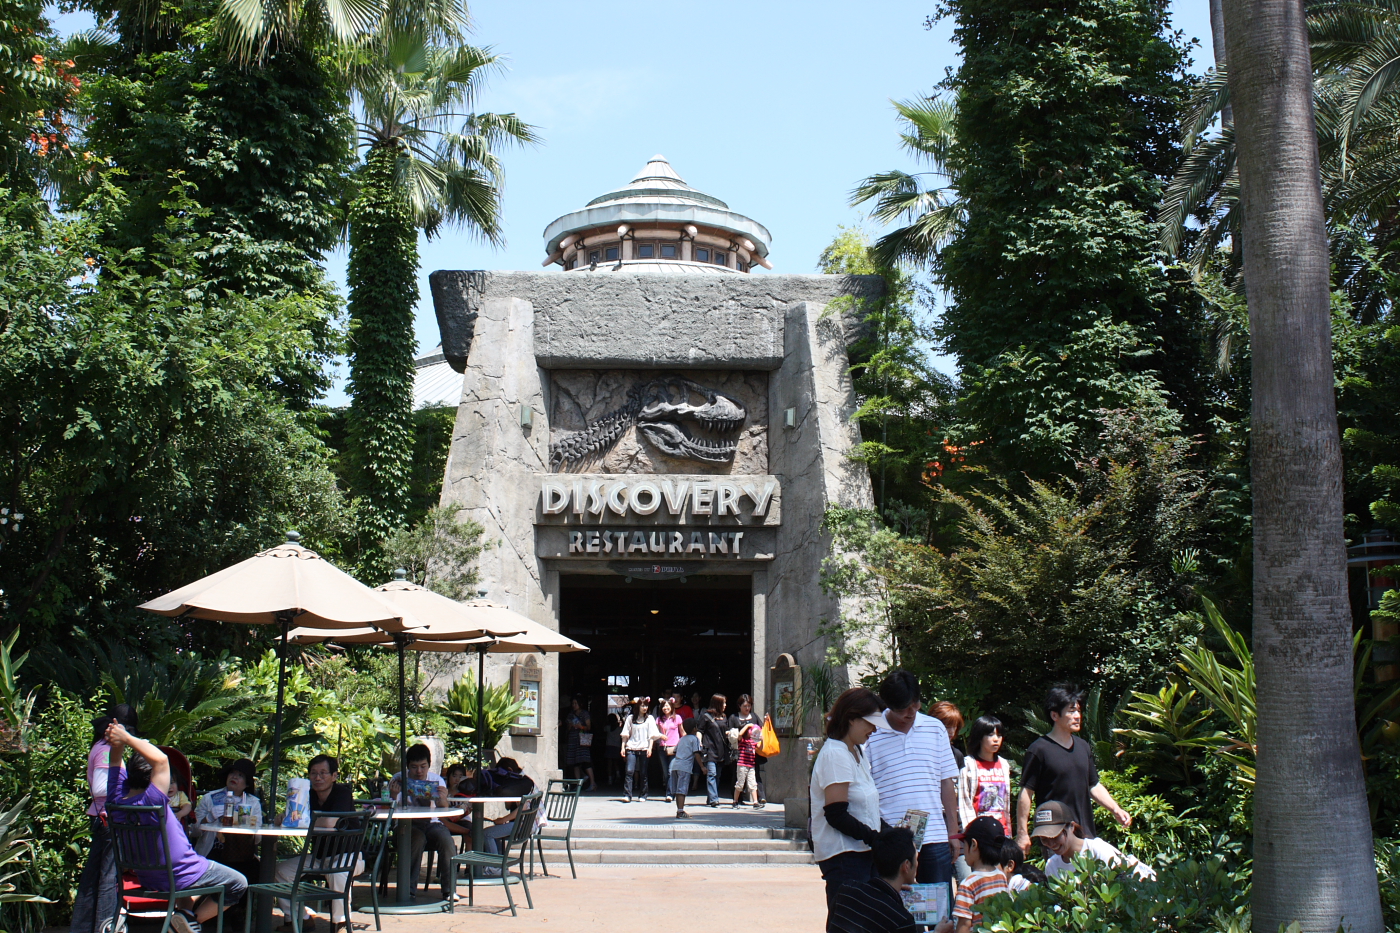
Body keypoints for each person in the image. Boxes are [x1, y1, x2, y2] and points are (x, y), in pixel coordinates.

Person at [104, 721, 247, 933]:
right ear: (153, 776)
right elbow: (161, 760)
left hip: (148, 876)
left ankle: (184, 918)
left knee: (189, 889)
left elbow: (114, 761)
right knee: (239, 883)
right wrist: (126, 738)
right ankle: (188, 923)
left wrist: (117, 741)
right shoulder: (153, 800)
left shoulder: (116, 800)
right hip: (182, 872)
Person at [865, 672, 961, 886]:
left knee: (940, 908)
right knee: (895, 909)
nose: (910, 713)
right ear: (888, 705)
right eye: (902, 709)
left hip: (934, 835)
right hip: (891, 838)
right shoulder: (870, 731)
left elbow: (947, 782)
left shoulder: (935, 728)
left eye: (915, 705)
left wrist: (952, 833)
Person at [1014, 685, 1131, 853]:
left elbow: (1094, 785)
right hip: (1055, 839)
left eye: (1078, 711)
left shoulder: (1083, 747)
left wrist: (1116, 809)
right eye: (1071, 711)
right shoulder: (1039, 750)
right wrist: (1022, 833)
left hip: (1085, 835)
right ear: (1055, 715)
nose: (1077, 716)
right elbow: (1026, 793)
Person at [810, 686, 887, 917]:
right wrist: (876, 837)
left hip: (863, 853)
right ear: (852, 718)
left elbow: (864, 808)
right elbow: (836, 814)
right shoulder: (836, 753)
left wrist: (888, 834)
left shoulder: (856, 751)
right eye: (870, 722)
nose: (874, 729)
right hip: (845, 858)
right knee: (849, 923)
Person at [70, 704, 139, 933]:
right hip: (108, 819)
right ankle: (105, 926)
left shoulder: (101, 746)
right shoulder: (106, 750)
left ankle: (83, 927)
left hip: (100, 817)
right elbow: (101, 788)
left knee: (93, 878)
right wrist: (133, 792)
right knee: (110, 879)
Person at [273, 755, 359, 930]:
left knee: (338, 873)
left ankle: (341, 922)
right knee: (280, 872)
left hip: (348, 856)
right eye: (313, 773)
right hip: (318, 857)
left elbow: (329, 822)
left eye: (323, 773)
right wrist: (285, 816)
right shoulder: (307, 794)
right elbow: (289, 817)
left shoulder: (342, 793)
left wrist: (299, 818)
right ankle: (300, 918)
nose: (318, 778)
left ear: (334, 776)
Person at [389, 744, 454, 901]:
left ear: (429, 765)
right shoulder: (398, 779)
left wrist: (443, 799)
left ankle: (449, 890)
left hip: (432, 823)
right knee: (416, 839)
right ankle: (408, 890)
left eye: (423, 766)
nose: (419, 771)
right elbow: (388, 809)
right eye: (414, 767)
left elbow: (443, 811)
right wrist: (392, 796)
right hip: (406, 825)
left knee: (446, 841)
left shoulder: (436, 780)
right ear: (407, 766)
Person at [1030, 801, 1155, 881]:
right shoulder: (1052, 866)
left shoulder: (1097, 850)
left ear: (1071, 827)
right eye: (1044, 840)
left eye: (1056, 836)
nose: (1051, 844)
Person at [826, 827, 920, 933]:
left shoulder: (846, 890)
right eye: (916, 859)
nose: (917, 864)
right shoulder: (902, 920)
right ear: (906, 866)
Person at [935, 816, 1010, 933]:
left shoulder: (968, 884)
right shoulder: (1001, 877)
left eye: (964, 844)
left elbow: (964, 925)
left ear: (973, 845)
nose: (962, 849)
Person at [192, 759, 262, 882]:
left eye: (240, 775)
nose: (234, 777)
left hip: (240, 854)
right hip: (212, 852)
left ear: (247, 784)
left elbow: (258, 839)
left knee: (253, 870)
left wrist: (246, 821)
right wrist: (208, 818)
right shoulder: (209, 798)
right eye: (232, 773)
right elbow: (193, 831)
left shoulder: (253, 802)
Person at [957, 716, 1013, 836]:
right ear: (980, 737)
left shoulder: (1004, 764)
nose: (996, 739)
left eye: (999, 735)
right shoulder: (968, 764)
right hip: (978, 832)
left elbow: (1006, 802)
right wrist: (971, 832)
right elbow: (964, 801)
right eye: (990, 735)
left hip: (1002, 831)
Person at [620, 698, 661, 802]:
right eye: (642, 705)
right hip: (631, 747)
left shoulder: (650, 718)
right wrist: (622, 747)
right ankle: (627, 794)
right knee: (629, 771)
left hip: (644, 747)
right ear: (638, 706)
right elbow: (625, 734)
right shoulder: (630, 718)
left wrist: (650, 748)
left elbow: (651, 735)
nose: (645, 708)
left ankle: (643, 794)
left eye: (646, 705)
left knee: (643, 772)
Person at [728, 694, 767, 804]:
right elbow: (732, 734)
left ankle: (760, 797)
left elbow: (762, 729)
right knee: (738, 776)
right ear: (739, 706)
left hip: (752, 751)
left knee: (756, 774)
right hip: (739, 752)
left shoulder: (754, 716)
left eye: (749, 705)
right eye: (745, 706)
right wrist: (747, 727)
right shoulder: (734, 718)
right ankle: (737, 799)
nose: (747, 708)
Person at [698, 694, 729, 807]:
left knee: (718, 775)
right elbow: (700, 730)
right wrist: (699, 742)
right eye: (723, 703)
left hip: (721, 750)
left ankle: (710, 796)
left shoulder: (724, 717)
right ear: (717, 704)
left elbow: (725, 731)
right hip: (710, 749)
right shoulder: (706, 716)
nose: (725, 705)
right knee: (712, 774)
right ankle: (714, 799)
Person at [669, 719, 703, 818]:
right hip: (685, 767)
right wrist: (702, 766)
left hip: (675, 765)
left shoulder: (682, 739)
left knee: (677, 789)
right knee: (682, 790)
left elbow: (675, 751)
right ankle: (680, 811)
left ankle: (679, 810)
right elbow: (696, 753)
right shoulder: (694, 739)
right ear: (694, 729)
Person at [563, 696, 596, 791]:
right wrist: (570, 726)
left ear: (580, 704)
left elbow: (588, 727)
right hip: (572, 739)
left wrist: (580, 726)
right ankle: (578, 785)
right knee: (574, 763)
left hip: (581, 740)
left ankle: (592, 783)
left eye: (575, 703)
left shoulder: (585, 714)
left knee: (585, 761)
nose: (574, 705)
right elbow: (567, 728)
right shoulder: (570, 715)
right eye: (573, 703)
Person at [927, 701, 966, 772]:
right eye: (947, 727)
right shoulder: (921, 751)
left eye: (954, 727)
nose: (951, 731)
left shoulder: (957, 755)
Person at [655, 699, 684, 791]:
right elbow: (655, 733)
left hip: (674, 747)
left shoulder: (677, 718)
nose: (665, 708)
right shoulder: (659, 719)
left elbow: (682, 732)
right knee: (665, 772)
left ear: (671, 707)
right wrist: (660, 736)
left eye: (667, 706)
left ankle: (670, 793)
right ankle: (670, 790)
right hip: (662, 747)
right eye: (663, 706)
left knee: (671, 771)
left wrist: (684, 743)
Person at [731, 719, 761, 809]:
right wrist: (747, 726)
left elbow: (760, 747)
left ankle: (755, 802)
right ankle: (735, 801)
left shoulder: (753, 741)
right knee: (740, 784)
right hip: (742, 765)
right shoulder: (742, 740)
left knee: (753, 784)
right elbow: (740, 735)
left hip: (751, 765)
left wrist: (760, 738)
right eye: (750, 731)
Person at [603, 712, 624, 786]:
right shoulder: (619, 729)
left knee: (609, 763)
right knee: (616, 763)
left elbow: (603, 730)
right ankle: (618, 775)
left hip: (609, 746)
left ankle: (610, 779)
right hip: (617, 746)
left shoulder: (608, 728)